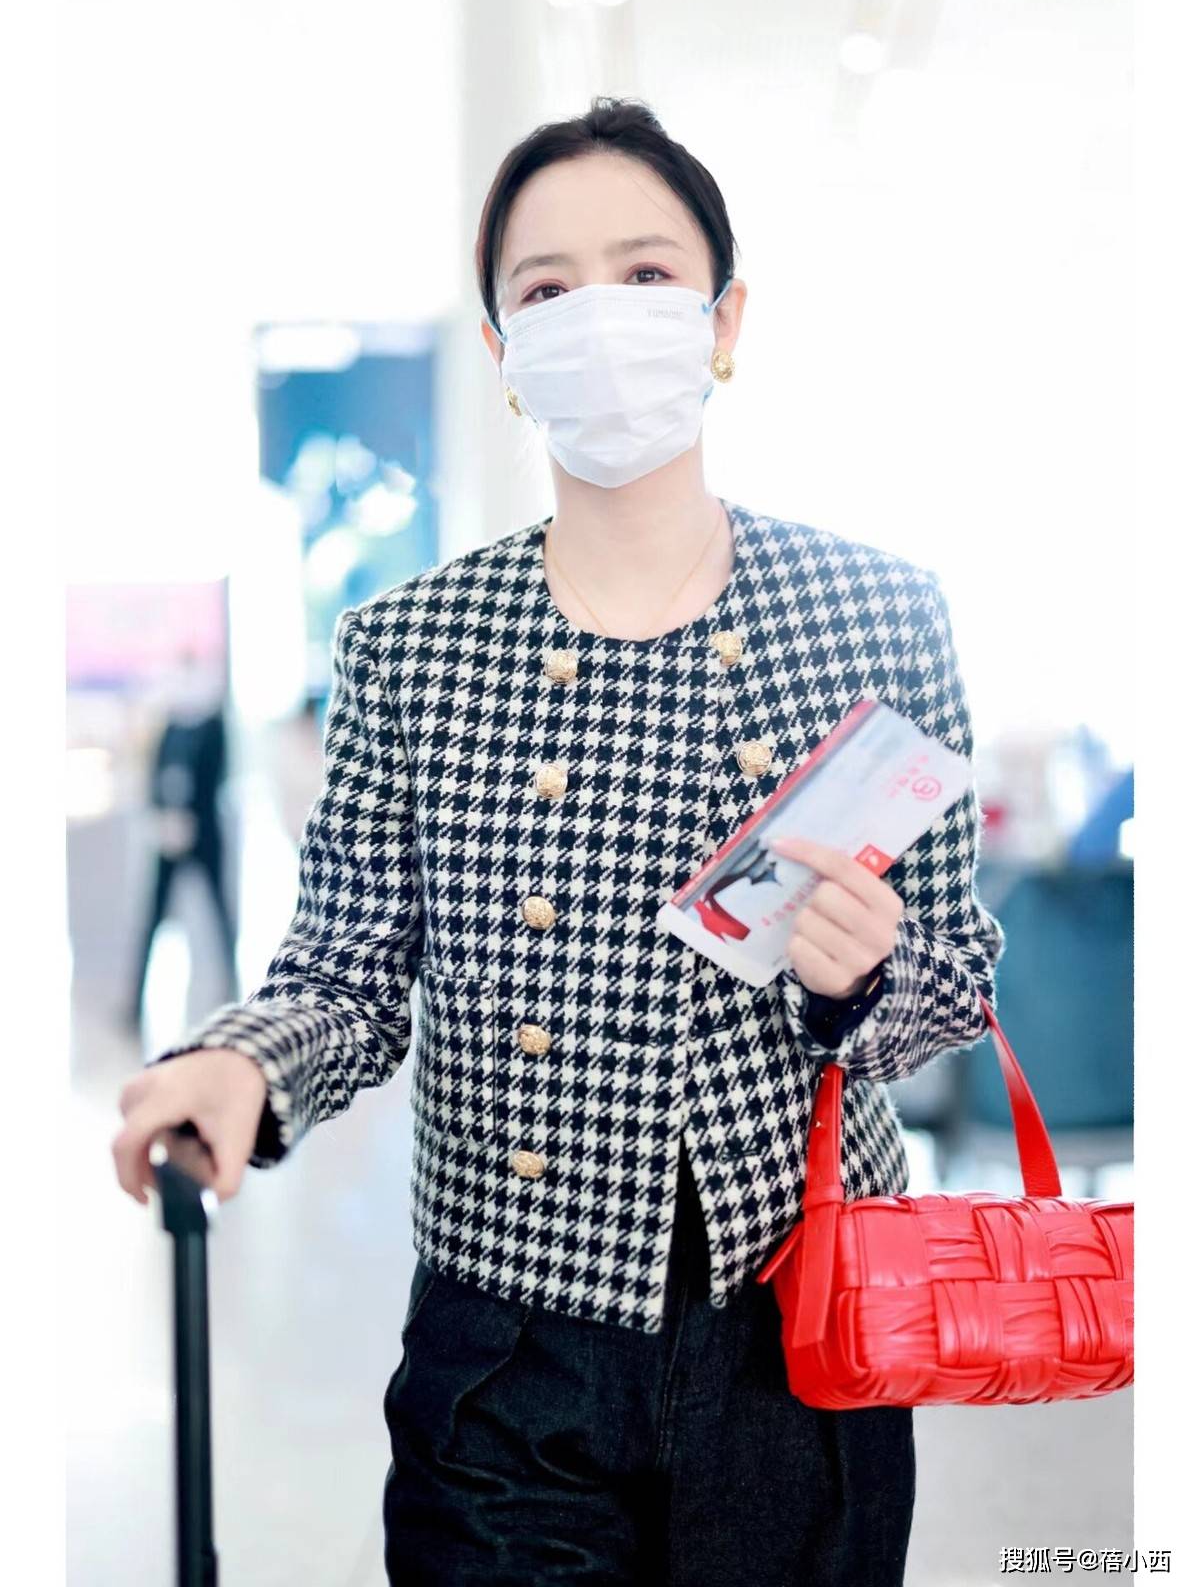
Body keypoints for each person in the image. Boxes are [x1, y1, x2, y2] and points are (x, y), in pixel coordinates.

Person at [112, 97, 1006, 1585]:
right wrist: (243, 1062)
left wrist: (863, 976)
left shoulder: (880, 611)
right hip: (507, 1359)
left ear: (725, 322)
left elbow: (959, 977)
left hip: (803, 1329)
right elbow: (346, 972)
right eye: (547, 288)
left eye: (647, 275)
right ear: (503, 354)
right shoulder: (409, 644)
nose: (599, 316)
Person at [123, 648, 239, 1031]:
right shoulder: (171, 724)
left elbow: (216, 777)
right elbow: (156, 774)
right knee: (153, 916)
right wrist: (162, 817)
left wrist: (191, 819)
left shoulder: (212, 725)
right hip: (168, 834)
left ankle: (233, 987)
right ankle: (134, 1002)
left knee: (219, 912)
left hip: (204, 833)